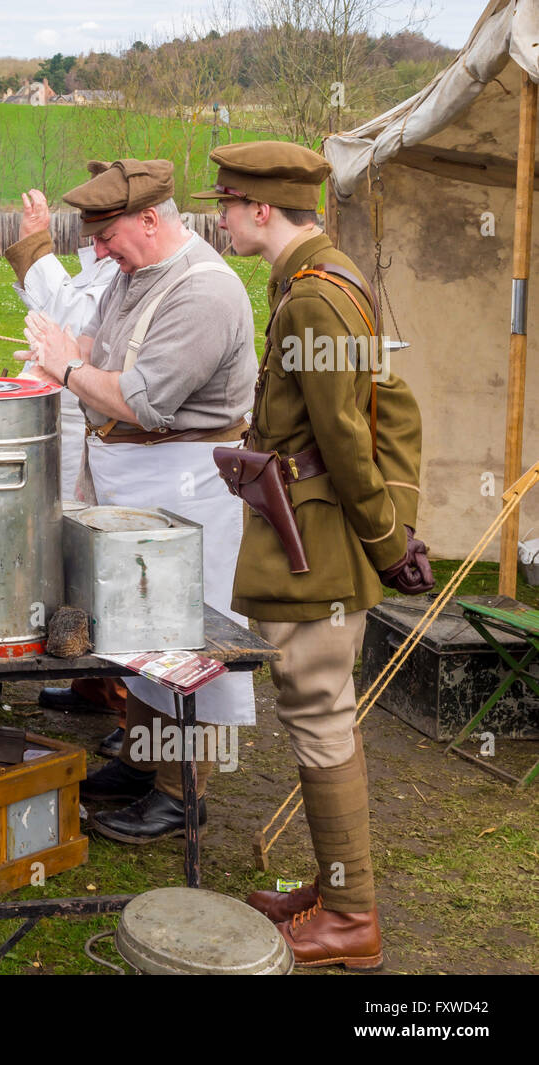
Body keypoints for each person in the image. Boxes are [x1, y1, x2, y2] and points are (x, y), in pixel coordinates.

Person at [195, 141, 430, 969]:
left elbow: (350, 434)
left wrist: (387, 541)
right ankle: (334, 889)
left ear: (263, 209)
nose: (218, 216)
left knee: (321, 715)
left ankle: (351, 917)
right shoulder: (320, 279)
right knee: (313, 713)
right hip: (316, 530)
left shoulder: (314, 300)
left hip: (321, 545)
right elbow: (378, 407)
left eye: (226, 203)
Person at [21, 158, 257, 843]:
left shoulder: (205, 292)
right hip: (139, 487)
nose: (97, 252)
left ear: (151, 220)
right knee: (140, 636)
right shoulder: (135, 275)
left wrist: (68, 366)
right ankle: (143, 762)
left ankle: (184, 796)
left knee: (191, 643)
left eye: (108, 236)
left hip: (187, 485)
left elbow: (145, 400)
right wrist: (69, 351)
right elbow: (106, 346)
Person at [4, 170, 126, 743]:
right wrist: (35, 238)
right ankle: (92, 685)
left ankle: (121, 695)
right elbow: (61, 298)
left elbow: (76, 321)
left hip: (97, 420)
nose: (91, 236)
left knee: (96, 557)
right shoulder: (99, 267)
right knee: (70, 545)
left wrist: (61, 355)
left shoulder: (129, 274)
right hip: (71, 417)